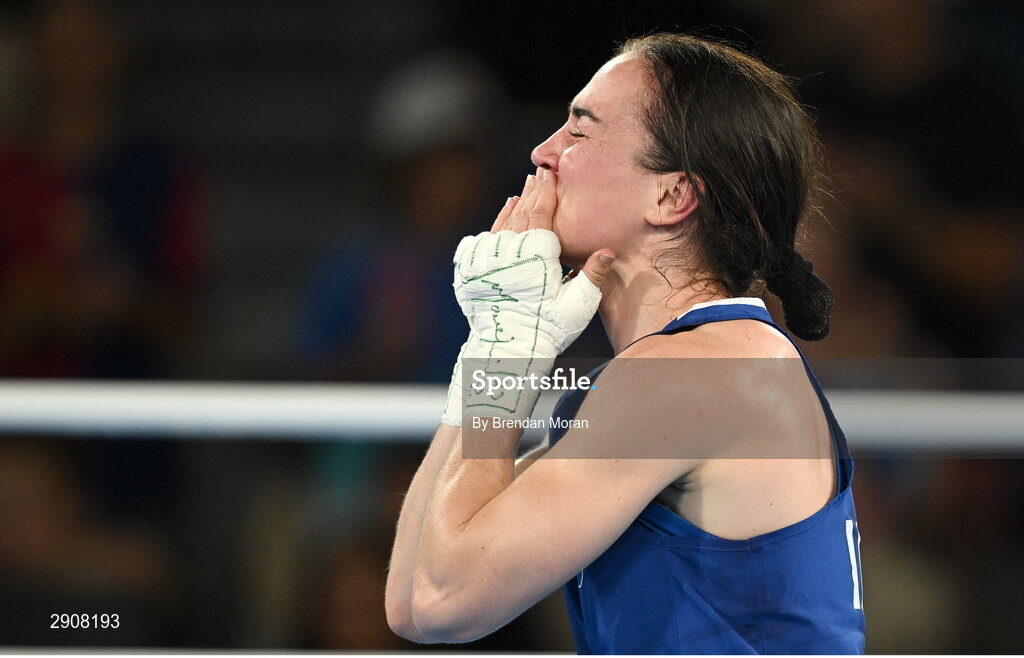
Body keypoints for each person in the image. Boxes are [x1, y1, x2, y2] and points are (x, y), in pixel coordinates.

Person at [385, 33, 865, 653]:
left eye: (579, 132)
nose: (542, 151)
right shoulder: (683, 371)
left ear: (673, 196)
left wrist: (505, 355)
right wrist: (488, 353)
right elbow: (411, 603)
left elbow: (442, 599)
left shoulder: (693, 375)